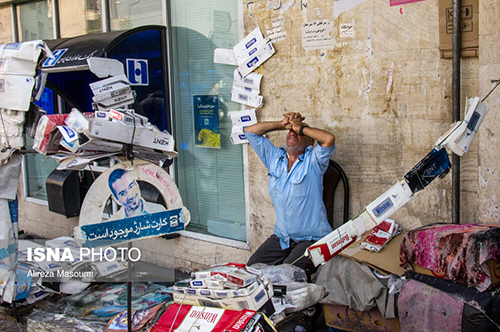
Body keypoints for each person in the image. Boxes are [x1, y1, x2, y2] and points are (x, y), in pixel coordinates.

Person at [244, 112, 336, 272]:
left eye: (298, 133)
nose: (292, 134)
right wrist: (282, 124)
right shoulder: (274, 158)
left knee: (287, 273)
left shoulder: (313, 161)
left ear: (309, 143)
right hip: (283, 238)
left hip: (312, 239)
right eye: (290, 132)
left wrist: (301, 128)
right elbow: (249, 131)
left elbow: (328, 139)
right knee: (253, 268)